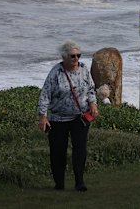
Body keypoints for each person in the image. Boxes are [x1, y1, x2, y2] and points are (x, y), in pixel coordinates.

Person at [38, 41, 98, 192]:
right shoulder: (56, 72)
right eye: (72, 56)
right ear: (64, 57)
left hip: (80, 117)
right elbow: (45, 94)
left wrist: (93, 104)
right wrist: (43, 116)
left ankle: (79, 182)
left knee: (80, 150)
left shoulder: (84, 69)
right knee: (58, 151)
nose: (76, 58)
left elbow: (91, 89)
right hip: (58, 119)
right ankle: (59, 183)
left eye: (78, 55)